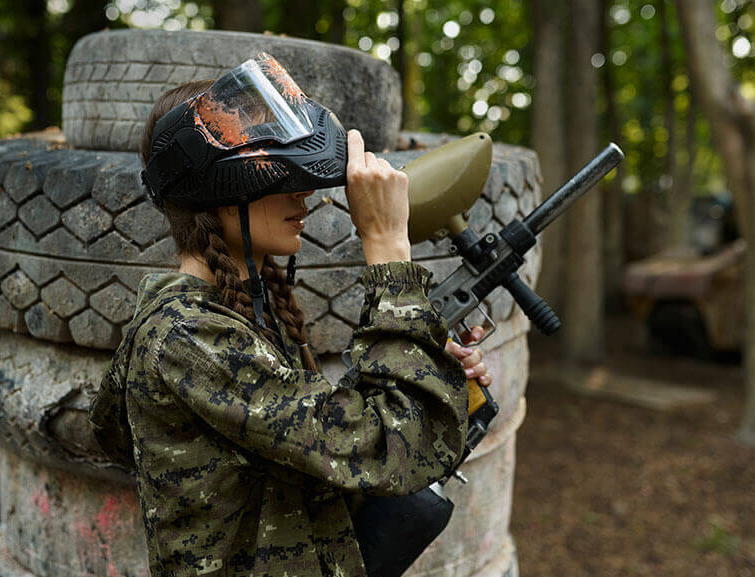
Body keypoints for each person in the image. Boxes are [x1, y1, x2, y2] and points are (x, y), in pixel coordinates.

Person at [90, 53, 492, 577]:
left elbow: (322, 440)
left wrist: (432, 373)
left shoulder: (238, 310)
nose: (302, 189)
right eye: (274, 168)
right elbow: (392, 448)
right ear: (215, 187)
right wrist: (389, 248)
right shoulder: (186, 336)